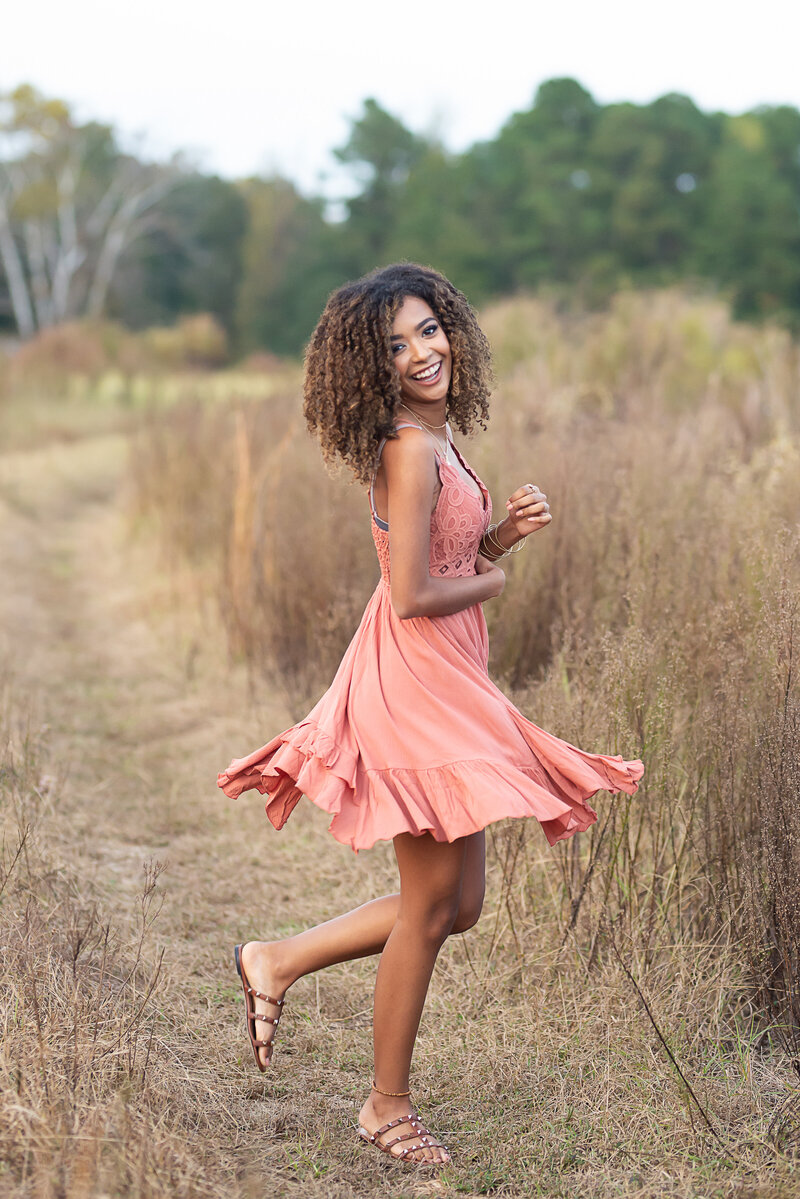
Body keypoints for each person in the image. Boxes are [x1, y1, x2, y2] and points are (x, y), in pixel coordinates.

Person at [218, 263, 643, 1168]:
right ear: (370, 368)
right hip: (413, 678)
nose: (421, 352)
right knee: (428, 907)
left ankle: (279, 958)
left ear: (452, 327)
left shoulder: (436, 440)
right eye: (396, 344)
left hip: (446, 673)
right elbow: (412, 591)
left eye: (428, 330)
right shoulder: (409, 449)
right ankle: (385, 1107)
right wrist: (496, 576)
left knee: (461, 904)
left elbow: (437, 552)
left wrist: (497, 539)